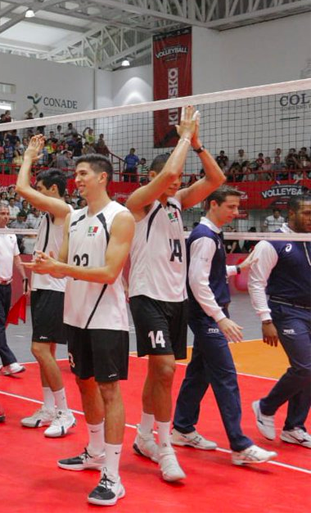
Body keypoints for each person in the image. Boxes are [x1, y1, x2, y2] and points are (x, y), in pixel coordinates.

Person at [124, 106, 225, 482]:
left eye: (179, 178)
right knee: (166, 369)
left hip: (175, 298)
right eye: (170, 176)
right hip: (147, 296)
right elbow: (168, 172)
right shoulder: (139, 202)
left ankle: (143, 436)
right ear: (151, 178)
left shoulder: (177, 203)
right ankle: (165, 448)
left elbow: (216, 178)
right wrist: (182, 135)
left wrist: (197, 145)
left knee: (159, 374)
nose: (175, 180)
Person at [29, 154, 135, 506]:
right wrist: (48, 265)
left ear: (103, 177)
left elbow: (108, 273)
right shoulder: (73, 219)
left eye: (84, 173)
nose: (78, 179)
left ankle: (113, 476)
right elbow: (64, 265)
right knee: (84, 384)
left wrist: (61, 266)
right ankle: (94, 452)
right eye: (76, 174)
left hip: (106, 318)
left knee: (109, 391)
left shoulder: (120, 217)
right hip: (75, 315)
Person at [172, 186, 278, 466]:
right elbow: (197, 283)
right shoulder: (205, 237)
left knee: (199, 374)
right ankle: (240, 446)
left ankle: (182, 427)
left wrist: (238, 268)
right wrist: (220, 317)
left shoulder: (213, 235)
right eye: (230, 207)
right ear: (213, 204)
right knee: (226, 377)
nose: (235, 212)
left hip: (209, 313)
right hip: (206, 316)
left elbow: (210, 272)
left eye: (236, 207)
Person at [15, 135, 75, 437]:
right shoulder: (49, 217)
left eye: (42, 190)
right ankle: (49, 407)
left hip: (55, 289)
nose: (35, 196)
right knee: (47, 349)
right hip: (43, 287)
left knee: (39, 348)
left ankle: (65, 412)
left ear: (54, 191)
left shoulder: (63, 211)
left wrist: (28, 157)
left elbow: (20, 189)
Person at [249, 195, 311, 449]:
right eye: (307, 213)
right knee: (305, 367)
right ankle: (265, 407)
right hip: (286, 311)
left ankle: (294, 427)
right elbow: (256, 282)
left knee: (310, 372)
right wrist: (265, 319)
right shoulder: (272, 242)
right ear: (292, 213)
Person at [0, 200, 27, 375]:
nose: (6, 216)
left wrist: (24, 277)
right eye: (2, 213)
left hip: (6, 285)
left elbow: (17, 258)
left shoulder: (11, 233)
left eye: (8, 213)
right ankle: (9, 362)